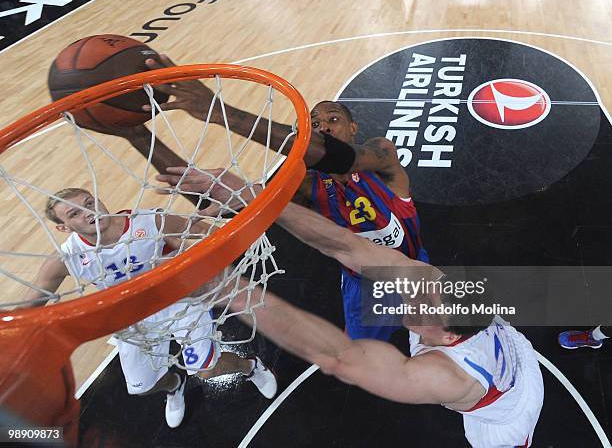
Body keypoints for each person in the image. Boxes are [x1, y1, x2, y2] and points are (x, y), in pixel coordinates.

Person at [157, 170, 545, 447]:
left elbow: (338, 358)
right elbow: (344, 245)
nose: (412, 294)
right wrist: (257, 198)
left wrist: (227, 288)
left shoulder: (444, 377)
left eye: (425, 304)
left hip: (505, 412)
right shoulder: (429, 281)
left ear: (447, 335)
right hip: (510, 350)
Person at [146, 55, 428, 341]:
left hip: (416, 268)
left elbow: (337, 157)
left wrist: (218, 112)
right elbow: (223, 204)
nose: (324, 127)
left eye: (333, 119)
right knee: (366, 358)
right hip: (364, 285)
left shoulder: (381, 154)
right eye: (314, 124)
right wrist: (138, 136)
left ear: (353, 127)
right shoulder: (305, 184)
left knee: (454, 351)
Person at [26, 187, 277, 428]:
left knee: (207, 370)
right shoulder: (66, 257)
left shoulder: (149, 221)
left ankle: (249, 367)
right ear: (63, 227)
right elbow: (30, 303)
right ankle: (174, 385)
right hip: (133, 316)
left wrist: (190, 257)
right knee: (143, 386)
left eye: (88, 203)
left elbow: (209, 232)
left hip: (178, 299)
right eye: (74, 214)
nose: (88, 212)